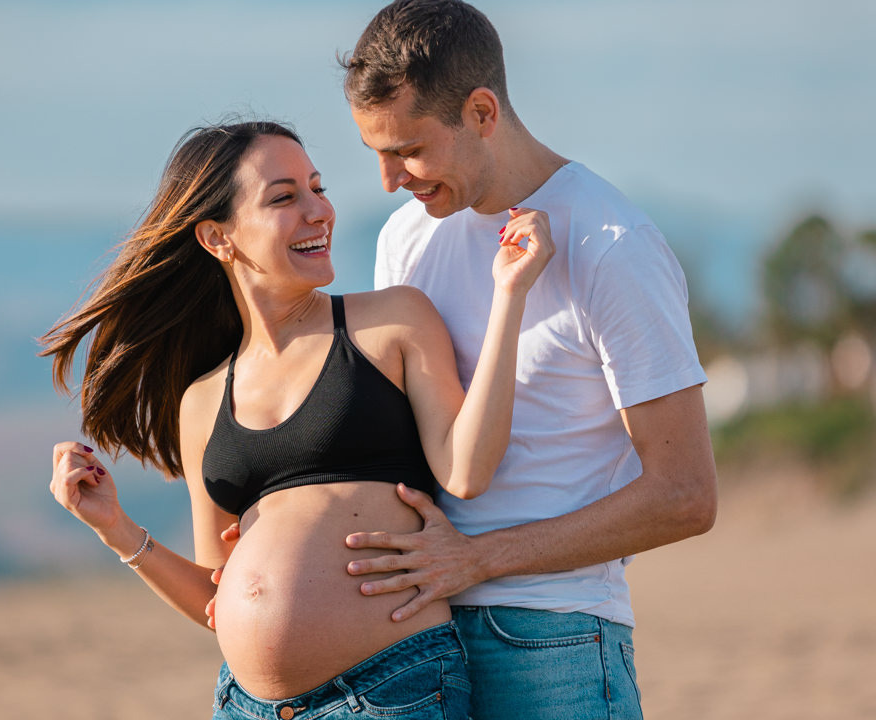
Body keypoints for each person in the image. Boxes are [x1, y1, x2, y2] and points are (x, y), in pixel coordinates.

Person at [40, 120, 553, 719]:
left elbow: (467, 471)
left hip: (391, 690)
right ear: (216, 238)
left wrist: (510, 296)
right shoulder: (203, 399)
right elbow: (216, 590)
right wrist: (114, 528)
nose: (319, 211)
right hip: (245, 706)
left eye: (318, 187)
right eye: (285, 197)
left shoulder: (389, 322)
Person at [333, 1, 719, 718]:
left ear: (482, 112)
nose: (391, 179)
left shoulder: (611, 244)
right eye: (376, 154)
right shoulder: (404, 239)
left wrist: (479, 560)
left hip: (557, 641)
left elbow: (686, 496)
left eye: (409, 150)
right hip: (416, 639)